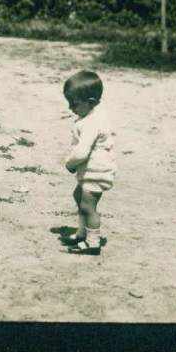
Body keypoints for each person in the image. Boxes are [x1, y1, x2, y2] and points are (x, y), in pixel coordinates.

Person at [59, 70, 116, 255]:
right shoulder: (92, 116)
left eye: (74, 104)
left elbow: (82, 152)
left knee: (88, 207)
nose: (70, 108)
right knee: (78, 196)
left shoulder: (92, 123)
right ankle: (82, 233)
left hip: (97, 172)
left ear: (90, 102)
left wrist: (70, 163)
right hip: (91, 170)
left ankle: (92, 243)